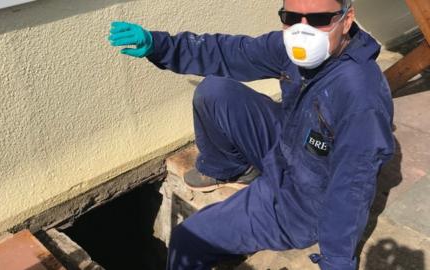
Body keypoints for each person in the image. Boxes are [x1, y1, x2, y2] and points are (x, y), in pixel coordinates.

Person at [107, 0, 395, 269]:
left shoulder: (360, 97)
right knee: (215, 90)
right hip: (290, 146)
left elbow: (353, 187)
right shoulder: (291, 51)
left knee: (188, 239)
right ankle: (230, 168)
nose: (302, 31)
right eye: (292, 18)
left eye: (319, 19)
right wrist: (161, 46)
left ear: (347, 20)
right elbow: (231, 52)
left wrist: (336, 261)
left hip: (303, 202)